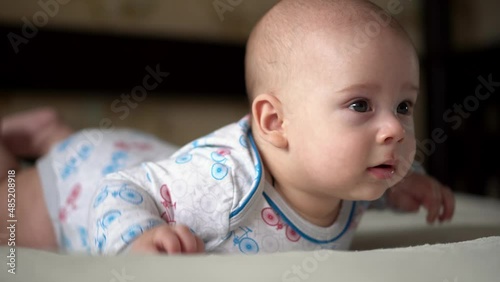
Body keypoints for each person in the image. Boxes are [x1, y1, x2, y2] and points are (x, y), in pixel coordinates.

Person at [0, 0, 454, 255]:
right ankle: (40, 149)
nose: (394, 128)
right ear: (275, 122)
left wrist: (399, 189)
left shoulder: (339, 175)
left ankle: (49, 133)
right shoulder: (224, 186)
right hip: (78, 182)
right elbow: (118, 189)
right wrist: (135, 238)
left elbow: (347, 184)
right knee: (10, 211)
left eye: (403, 104)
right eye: (361, 104)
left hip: (142, 153)